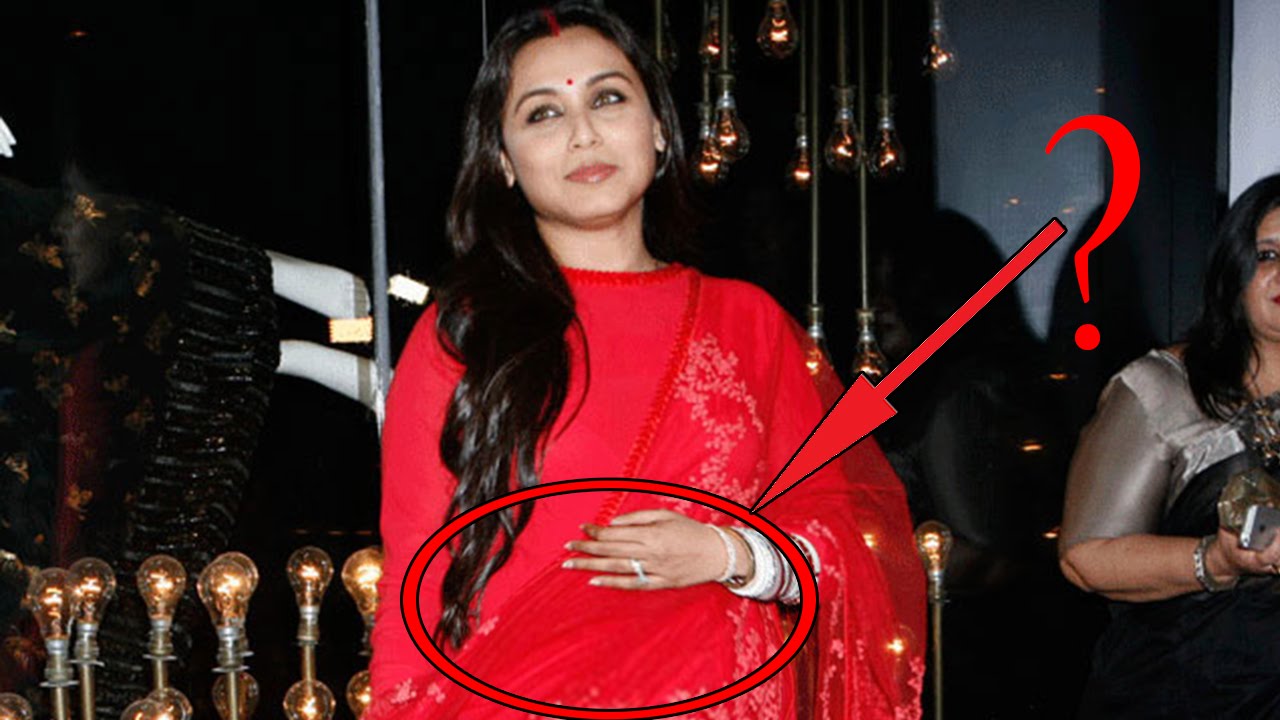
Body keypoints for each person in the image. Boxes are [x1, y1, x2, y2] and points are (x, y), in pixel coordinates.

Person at [365, 4, 924, 719]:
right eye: (543, 113)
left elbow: (858, 541)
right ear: (502, 161)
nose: (584, 133)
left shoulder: (748, 325)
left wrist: (730, 555)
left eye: (608, 98)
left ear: (659, 129)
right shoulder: (468, 333)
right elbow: (414, 582)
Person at [1059, 173, 1280, 718]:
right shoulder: (1165, 388)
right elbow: (1086, 557)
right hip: (1183, 692)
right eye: (1268, 254)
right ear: (1234, 268)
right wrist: (1218, 560)